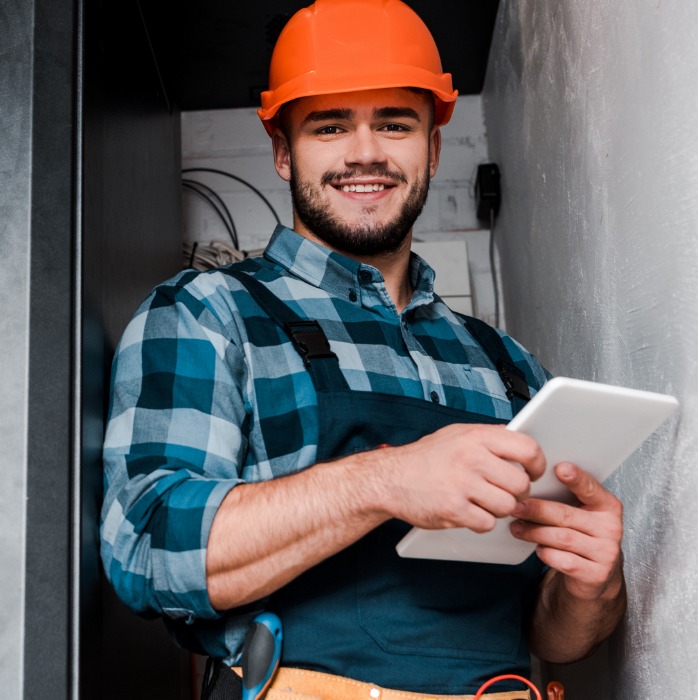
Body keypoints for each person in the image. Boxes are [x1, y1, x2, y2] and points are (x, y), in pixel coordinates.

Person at [100, 0, 626, 697]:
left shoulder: (508, 368)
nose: (366, 152)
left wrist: (592, 587)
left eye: (395, 123)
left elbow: (544, 633)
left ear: (433, 147)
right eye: (330, 126)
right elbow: (149, 548)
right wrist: (385, 482)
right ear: (284, 152)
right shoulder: (208, 314)